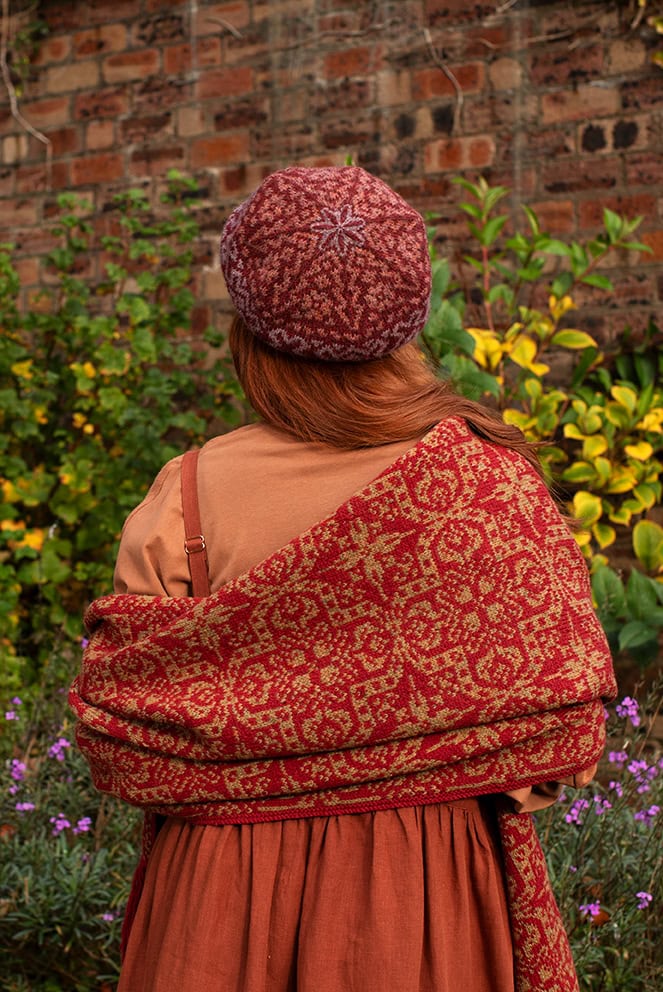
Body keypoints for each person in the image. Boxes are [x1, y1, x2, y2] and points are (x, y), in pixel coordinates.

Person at [70, 166, 616, 992]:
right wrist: (421, 759)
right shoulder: (492, 489)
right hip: (425, 901)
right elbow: (560, 743)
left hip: (218, 901)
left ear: (248, 320)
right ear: (408, 315)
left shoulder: (186, 494)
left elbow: (126, 735)